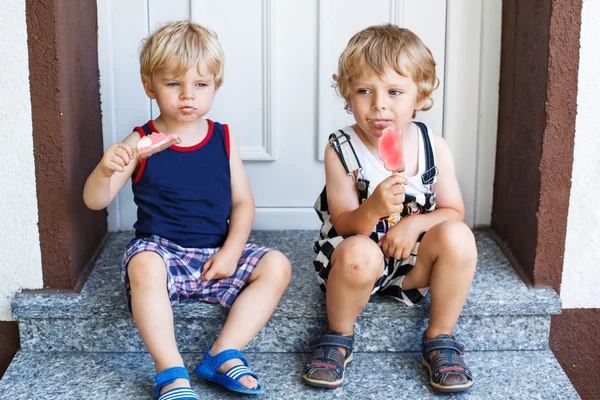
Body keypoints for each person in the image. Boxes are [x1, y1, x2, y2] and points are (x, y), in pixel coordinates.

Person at [83, 20, 291, 399]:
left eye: (200, 84)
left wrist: (231, 251)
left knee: (277, 265)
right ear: (150, 85)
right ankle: (170, 369)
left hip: (216, 255)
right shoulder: (140, 141)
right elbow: (95, 200)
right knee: (143, 264)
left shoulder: (223, 137)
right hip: (163, 255)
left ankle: (223, 352)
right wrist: (105, 167)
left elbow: (243, 202)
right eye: (173, 84)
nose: (187, 96)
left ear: (215, 86)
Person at [302, 24, 477, 393]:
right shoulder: (342, 149)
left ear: (421, 95)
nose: (379, 104)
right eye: (364, 91)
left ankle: (440, 337)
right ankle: (338, 335)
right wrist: (375, 207)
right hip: (354, 259)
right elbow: (345, 223)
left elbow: (453, 212)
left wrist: (413, 226)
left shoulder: (434, 146)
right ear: (348, 95)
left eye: (395, 92)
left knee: (459, 237)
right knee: (359, 254)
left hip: (411, 262)